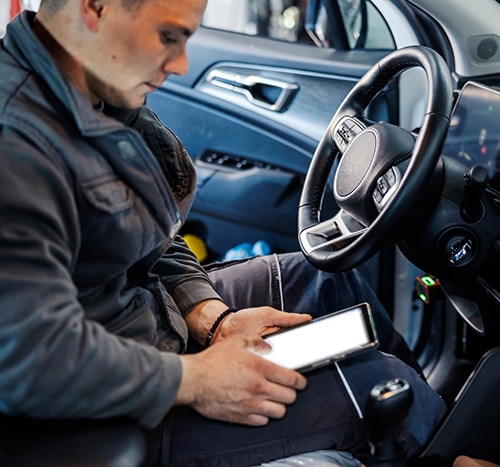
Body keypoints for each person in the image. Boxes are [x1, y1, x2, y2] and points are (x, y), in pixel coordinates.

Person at [0, 0, 446, 465]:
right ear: (95, 8)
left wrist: (212, 318)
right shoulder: (15, 145)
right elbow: (29, 360)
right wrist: (196, 380)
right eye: (169, 37)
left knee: (326, 282)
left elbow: (151, 237)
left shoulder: (95, 93)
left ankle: (438, 439)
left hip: (148, 324)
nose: (181, 64)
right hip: (100, 414)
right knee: (380, 387)